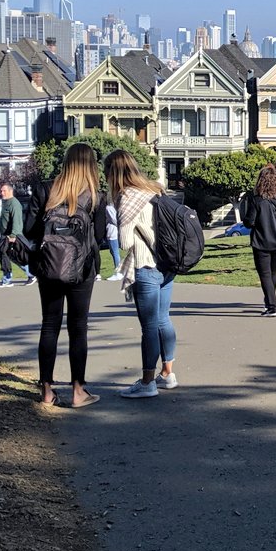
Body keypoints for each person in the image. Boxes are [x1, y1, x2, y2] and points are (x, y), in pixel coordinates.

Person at [24, 143, 106, 407]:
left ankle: (47, 391)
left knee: (49, 324)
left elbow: (29, 229)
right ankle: (78, 391)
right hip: (82, 269)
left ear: (65, 162)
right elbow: (101, 237)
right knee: (78, 327)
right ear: (91, 165)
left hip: (49, 266)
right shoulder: (95, 196)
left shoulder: (45, 189)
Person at [103, 149, 179, 398]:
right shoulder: (155, 189)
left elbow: (124, 242)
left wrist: (121, 220)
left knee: (148, 326)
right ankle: (167, 373)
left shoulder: (128, 197)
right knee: (163, 319)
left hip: (146, 265)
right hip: (167, 263)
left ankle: (148, 382)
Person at [243, 166, 276, 317]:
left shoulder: (256, 200)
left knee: (265, 274)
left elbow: (249, 222)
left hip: (261, 241)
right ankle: (269, 303)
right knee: (272, 272)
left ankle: (272, 306)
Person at [0, 181, 30, 288]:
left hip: (12, 235)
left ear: (10, 191)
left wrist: (13, 235)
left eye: (4, 191)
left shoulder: (14, 203)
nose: (2, 192)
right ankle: (29, 274)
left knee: (11, 255)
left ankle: (8, 279)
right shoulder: (4, 202)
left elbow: (17, 220)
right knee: (10, 256)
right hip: (5, 235)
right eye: (1, 191)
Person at [105, 199, 121, 279]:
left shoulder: (109, 208)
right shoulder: (114, 207)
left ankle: (118, 272)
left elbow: (114, 220)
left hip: (112, 233)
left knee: (115, 252)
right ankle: (118, 270)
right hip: (113, 232)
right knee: (113, 252)